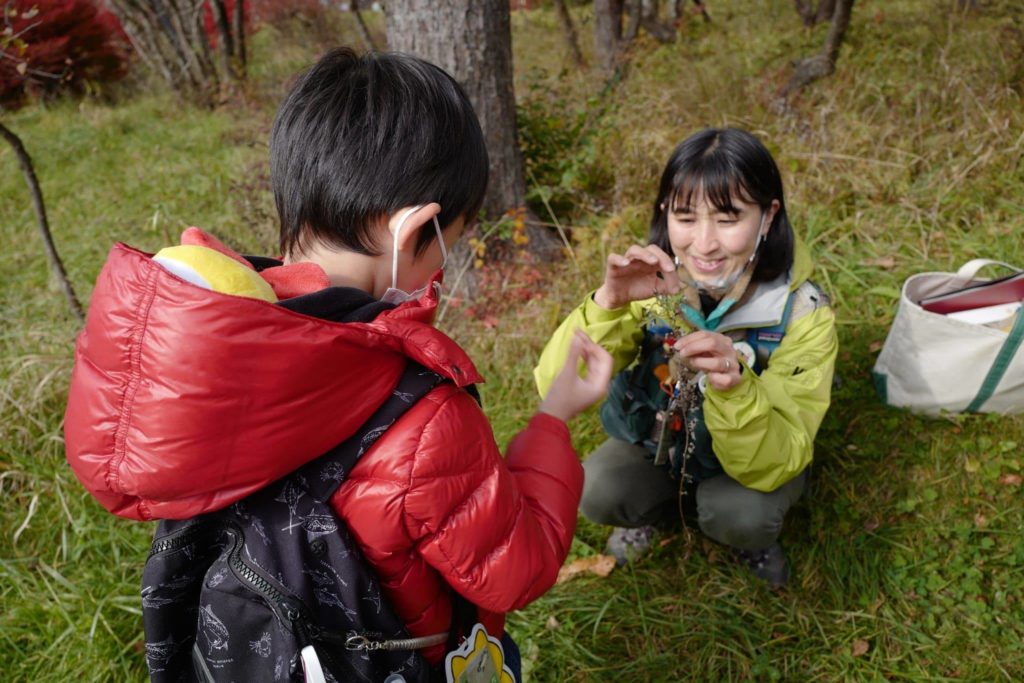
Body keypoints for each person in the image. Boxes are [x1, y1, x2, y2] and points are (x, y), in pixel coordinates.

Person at [63, 48, 612, 679]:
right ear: (416, 232)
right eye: (449, 247)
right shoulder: (425, 419)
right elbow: (518, 571)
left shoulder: (217, 360)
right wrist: (553, 420)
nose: (441, 269)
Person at [534, 127, 838, 589]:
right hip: (664, 442)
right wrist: (607, 304)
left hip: (753, 459)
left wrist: (734, 385)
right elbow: (556, 386)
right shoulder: (650, 283)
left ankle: (748, 540)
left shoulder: (802, 314)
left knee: (741, 513)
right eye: (686, 217)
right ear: (664, 214)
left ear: (768, 216)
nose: (704, 244)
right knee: (597, 489)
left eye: (728, 218)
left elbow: (775, 458)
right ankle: (650, 513)